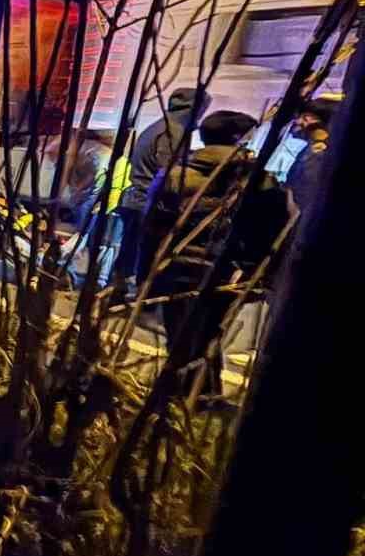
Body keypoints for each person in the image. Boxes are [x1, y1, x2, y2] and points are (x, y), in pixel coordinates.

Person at [141, 110, 290, 402]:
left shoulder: (175, 174)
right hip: (225, 270)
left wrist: (147, 273)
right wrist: (255, 271)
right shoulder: (257, 180)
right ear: (239, 138)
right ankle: (197, 395)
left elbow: (151, 227)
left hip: (176, 266)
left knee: (178, 331)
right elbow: (271, 231)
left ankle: (180, 394)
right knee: (209, 332)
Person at [116, 87, 204, 291]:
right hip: (148, 204)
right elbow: (169, 174)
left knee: (129, 259)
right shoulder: (172, 132)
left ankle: (119, 293)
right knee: (140, 264)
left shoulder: (159, 126)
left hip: (139, 200)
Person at [285, 96, 337, 217]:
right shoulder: (311, 142)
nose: (299, 122)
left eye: (306, 118)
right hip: (297, 206)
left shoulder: (322, 151)